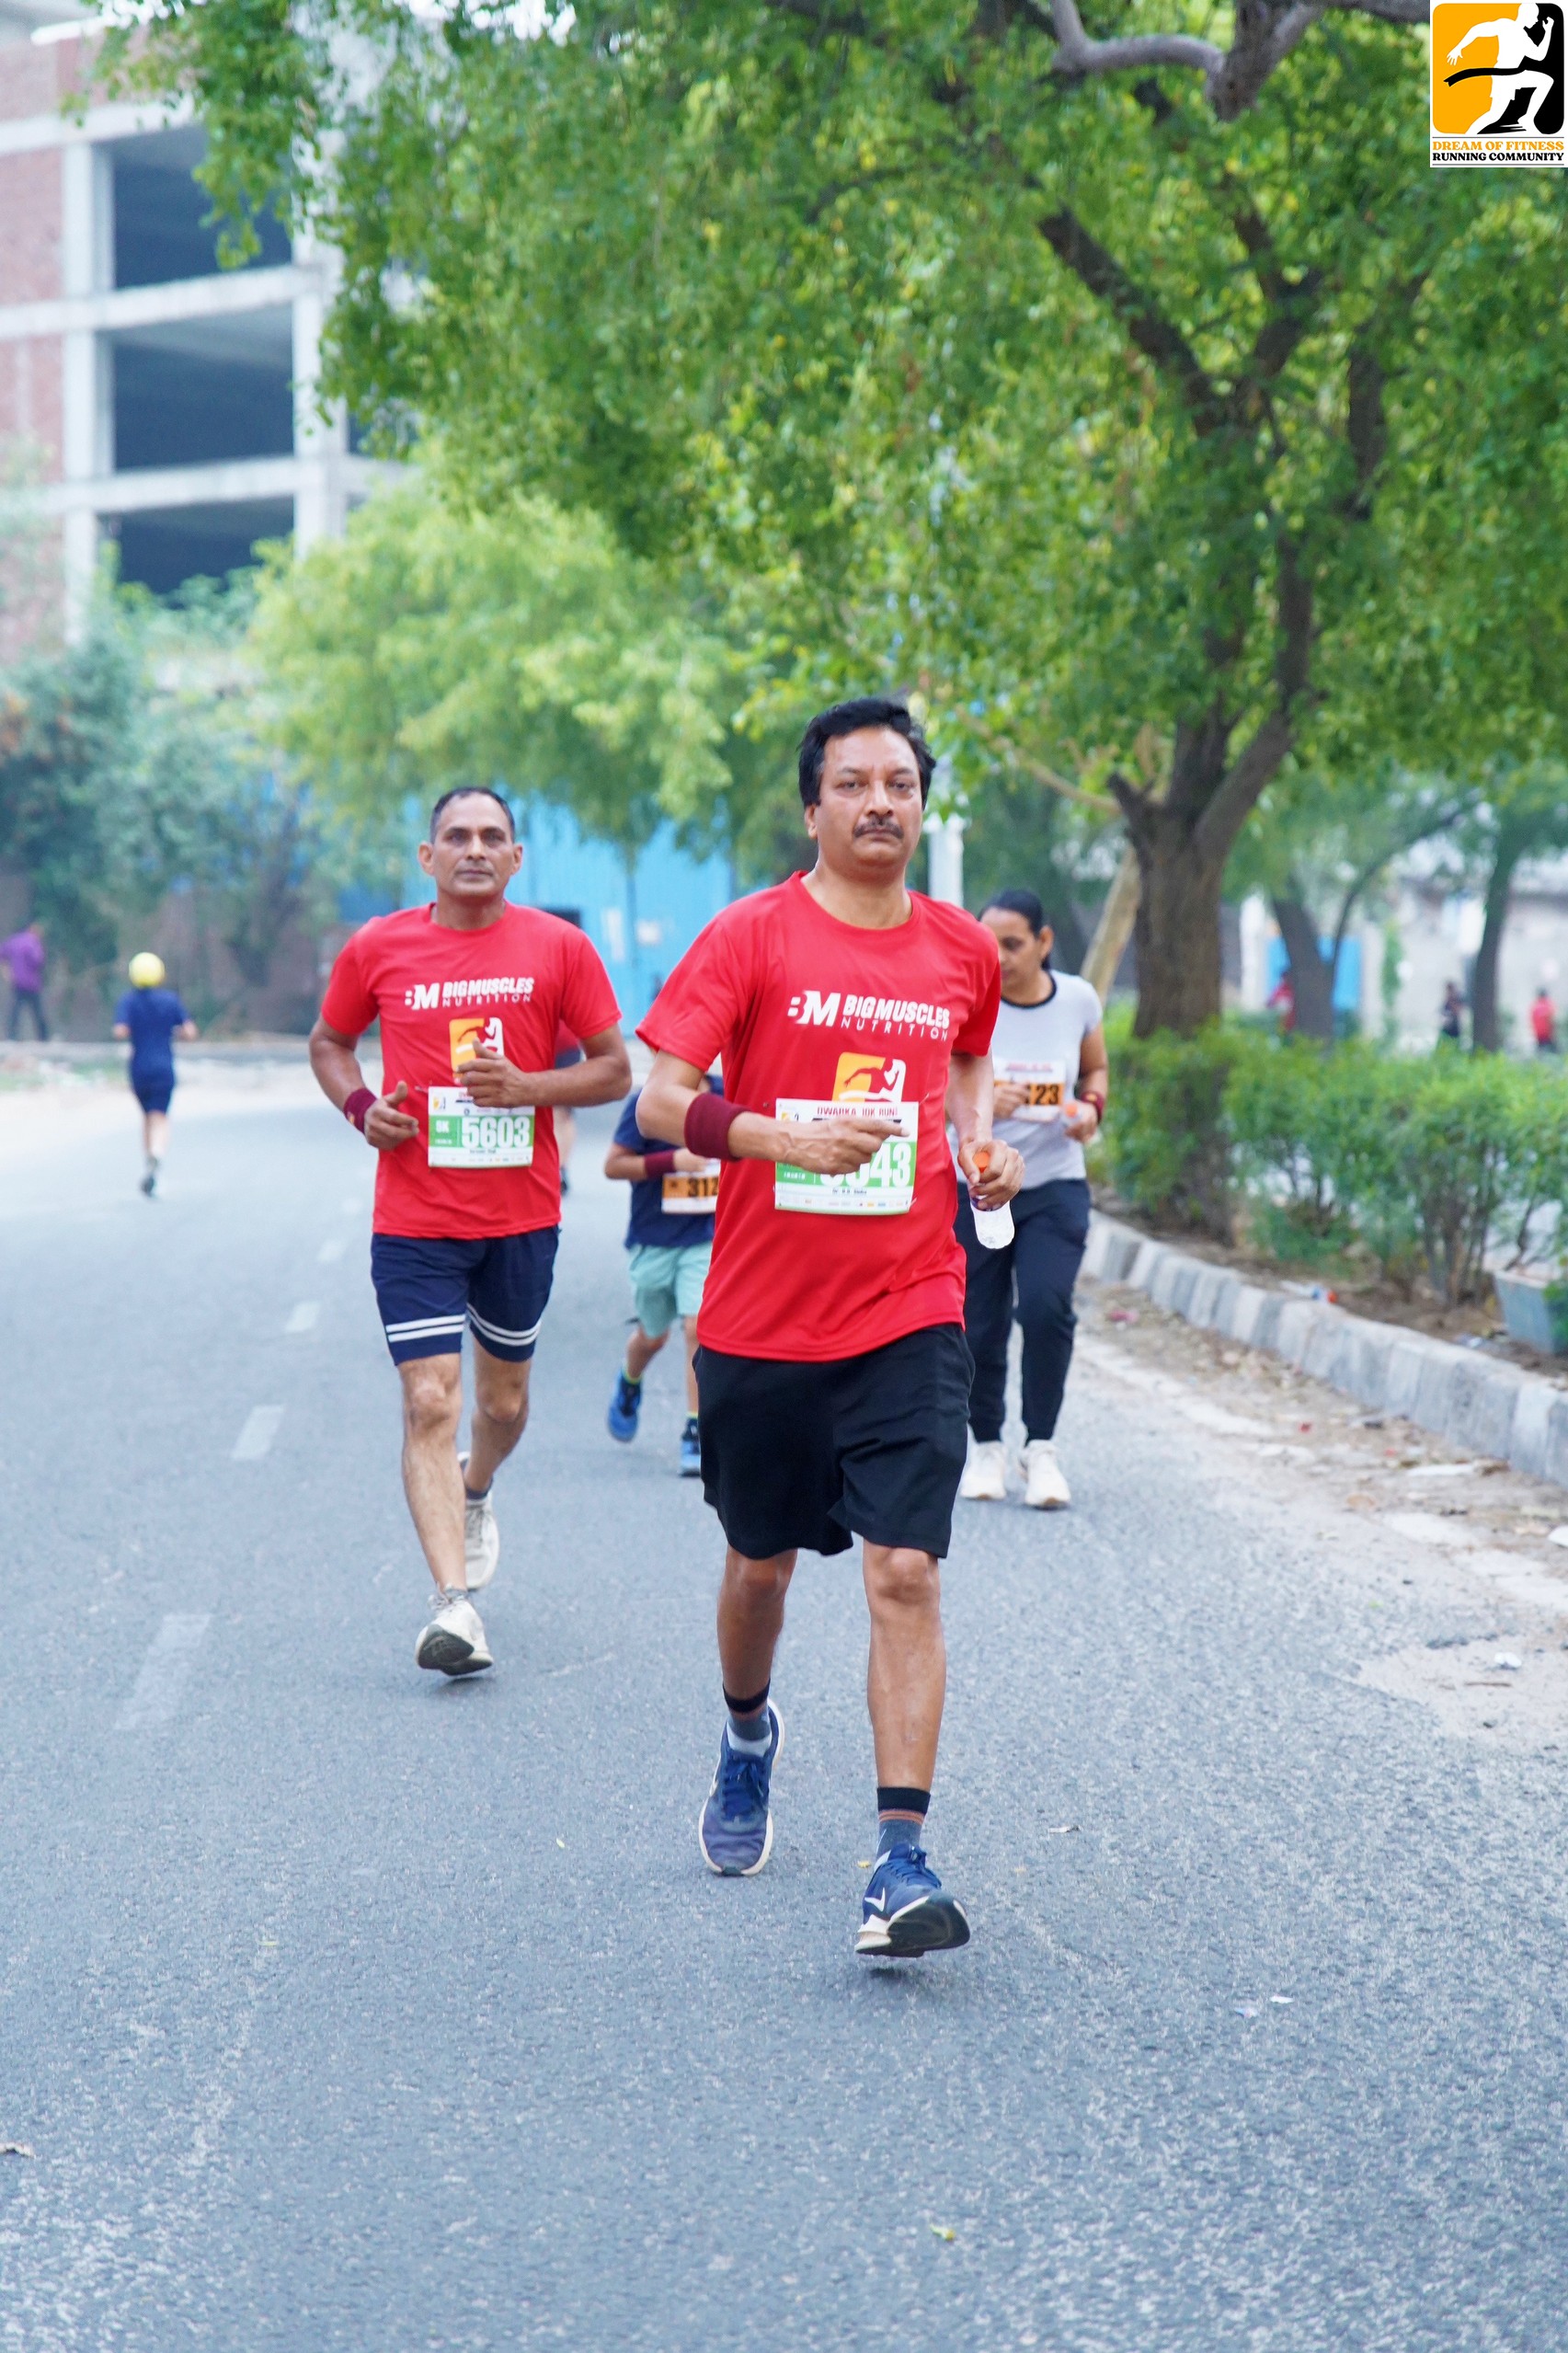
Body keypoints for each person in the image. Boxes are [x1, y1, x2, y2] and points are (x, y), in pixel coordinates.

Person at [637, 695, 1024, 1958]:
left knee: (904, 1569)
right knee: (760, 1568)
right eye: (852, 783)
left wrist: (976, 1142)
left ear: (921, 805)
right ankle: (747, 1732)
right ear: (812, 808)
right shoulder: (750, 935)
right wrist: (771, 1134)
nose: (878, 803)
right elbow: (660, 1098)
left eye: (899, 783)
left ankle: (898, 1861)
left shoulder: (961, 948)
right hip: (760, 1323)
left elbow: (967, 1058)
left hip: (910, 1306)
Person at [309, 787, 630, 1678]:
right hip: (414, 1220)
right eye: (457, 836)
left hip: (521, 1218)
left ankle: (475, 1485)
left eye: (493, 837)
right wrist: (361, 1107)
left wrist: (528, 1088)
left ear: (516, 858)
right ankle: (454, 1606)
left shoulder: (558, 947)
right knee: (428, 1399)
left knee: (503, 1405)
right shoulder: (379, 946)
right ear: (428, 856)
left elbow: (614, 1070)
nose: (475, 849)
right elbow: (330, 1042)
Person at [954, 891, 1108, 1510]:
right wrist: (986, 1101)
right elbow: (939, 1080)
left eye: (1012, 944)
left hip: (1053, 1186)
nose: (997, 956)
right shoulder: (968, 1001)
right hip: (980, 1188)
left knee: (1045, 1308)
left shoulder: (1077, 1000)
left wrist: (1089, 1110)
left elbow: (1095, 1072)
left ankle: (1040, 1448)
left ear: (1044, 943)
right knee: (978, 1322)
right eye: (987, 943)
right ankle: (986, 1445)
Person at [604, 1073, 722, 1476]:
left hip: (704, 1238)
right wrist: (673, 1162)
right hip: (654, 1240)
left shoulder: (725, 1095)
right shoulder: (648, 1101)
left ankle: (695, 1430)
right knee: (652, 1337)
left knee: (697, 1327)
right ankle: (629, 1379)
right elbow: (613, 1165)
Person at [112, 952, 198, 1196]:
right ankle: (157, 1155)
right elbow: (190, 1032)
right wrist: (173, 1031)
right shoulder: (170, 1001)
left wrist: (137, 1029)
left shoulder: (128, 1001)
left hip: (138, 1068)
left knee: (147, 1117)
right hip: (163, 1067)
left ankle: (149, 1160)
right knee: (160, 1116)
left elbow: (120, 1031)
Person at [1, 920, 48, 1040]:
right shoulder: (33, 943)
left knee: (15, 1011)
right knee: (38, 1012)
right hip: (32, 984)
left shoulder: (14, 941)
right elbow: (38, 961)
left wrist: (5, 971)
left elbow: (2, 954)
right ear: (33, 929)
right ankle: (43, 1037)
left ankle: (11, 1035)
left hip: (17, 982)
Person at [1531, 986, 1559, 1055]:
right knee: (1552, 1055)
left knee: (1541, 1054)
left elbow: (1532, 1021)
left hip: (1539, 1036)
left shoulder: (1535, 1007)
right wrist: (1554, 1034)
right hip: (1548, 1036)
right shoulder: (1549, 1005)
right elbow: (1552, 1020)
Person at [1439, 981, 1466, 1047]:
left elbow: (1458, 1011)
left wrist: (1451, 1002)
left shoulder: (1457, 999)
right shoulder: (1447, 1001)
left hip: (1455, 1026)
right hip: (1447, 1025)